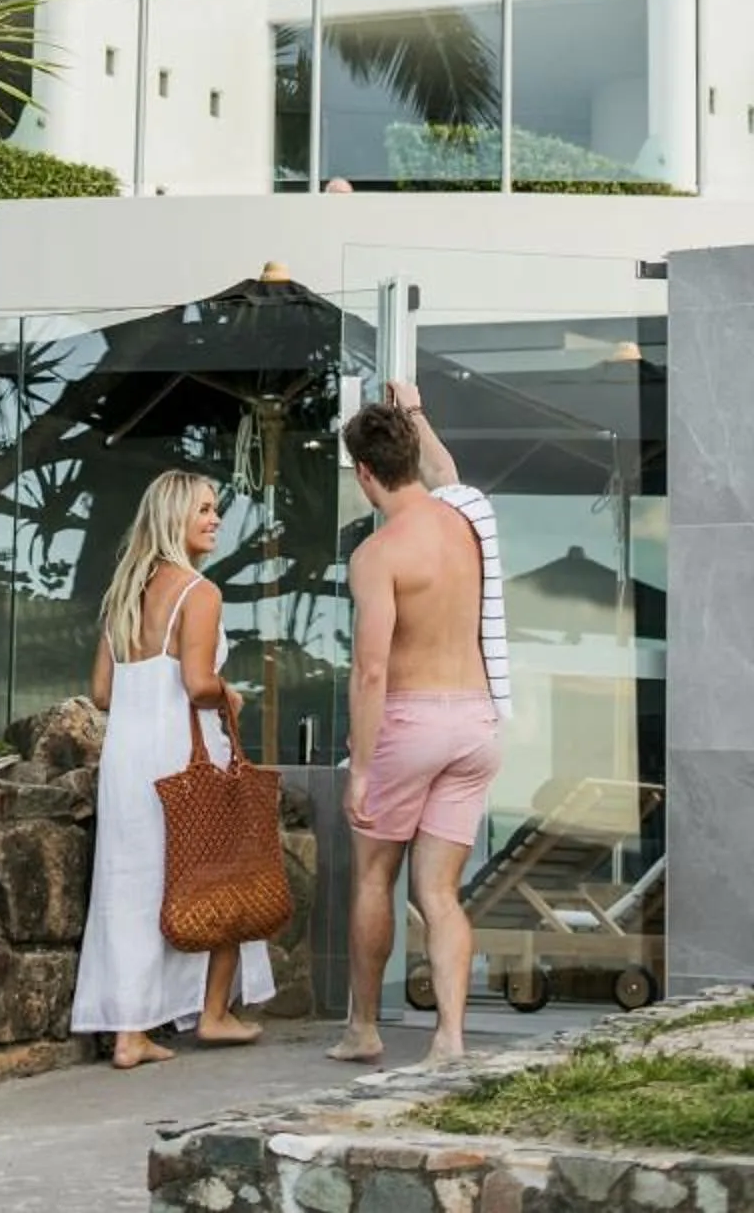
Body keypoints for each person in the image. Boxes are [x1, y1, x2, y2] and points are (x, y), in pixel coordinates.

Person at [69, 471, 276, 1068]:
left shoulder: (121, 595)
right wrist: (229, 693)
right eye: (204, 510)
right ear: (173, 518)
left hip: (128, 758)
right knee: (222, 876)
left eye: (215, 510)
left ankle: (130, 1034)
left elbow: (102, 692)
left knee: (131, 888)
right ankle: (211, 1014)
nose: (215, 519)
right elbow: (196, 684)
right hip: (187, 755)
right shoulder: (199, 593)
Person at [331, 379, 509, 1068]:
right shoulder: (464, 518)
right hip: (475, 724)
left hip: (410, 725)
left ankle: (365, 1030)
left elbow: (371, 671)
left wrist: (365, 768)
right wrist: (415, 408)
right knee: (439, 891)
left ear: (365, 474)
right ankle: (450, 1039)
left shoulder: (378, 556)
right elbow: (448, 473)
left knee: (375, 879)